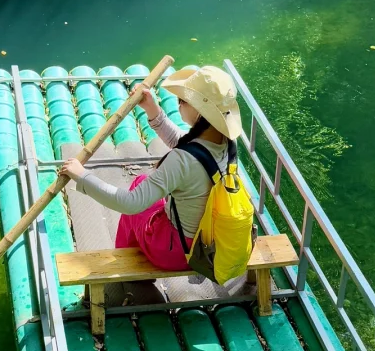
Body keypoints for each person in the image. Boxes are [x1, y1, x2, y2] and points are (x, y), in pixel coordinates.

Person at [59, 64, 243, 270]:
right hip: (215, 242)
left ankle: (123, 261)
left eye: (182, 100)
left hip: (180, 253)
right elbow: (189, 146)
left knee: (135, 206)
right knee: (142, 182)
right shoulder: (226, 141)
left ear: (200, 111)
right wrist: (151, 108)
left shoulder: (182, 159)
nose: (178, 104)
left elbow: (130, 203)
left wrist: (82, 176)